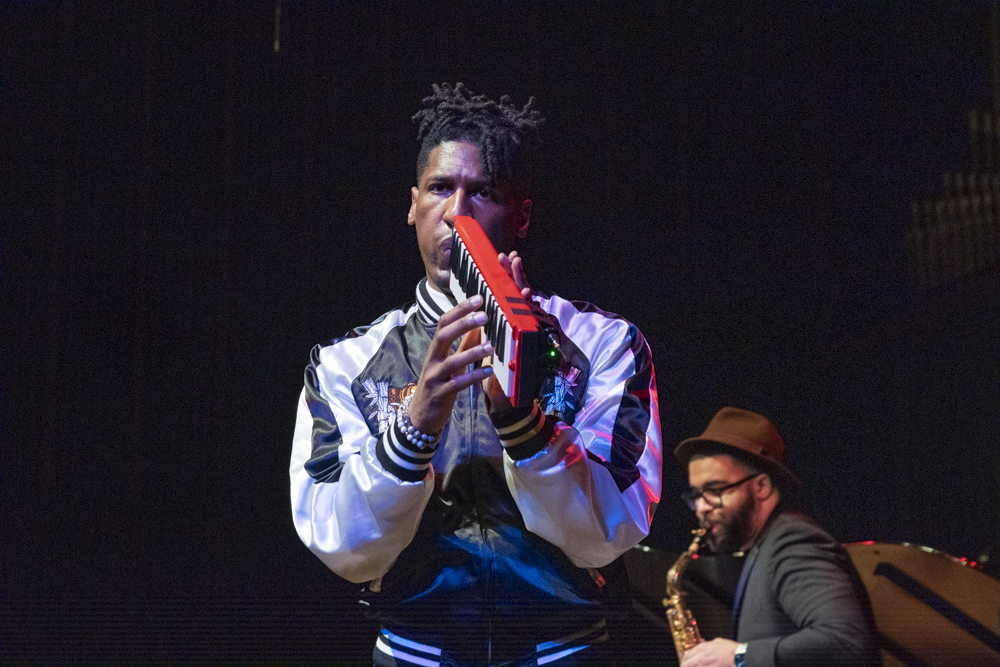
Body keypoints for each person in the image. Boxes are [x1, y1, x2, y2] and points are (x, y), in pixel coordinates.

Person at [289, 83, 662, 667]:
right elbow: (344, 550)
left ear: (522, 215)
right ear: (412, 204)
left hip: (564, 652)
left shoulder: (602, 344)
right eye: (440, 188)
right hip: (416, 653)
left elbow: (607, 535)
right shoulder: (346, 362)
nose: (457, 213)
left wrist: (523, 423)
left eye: (482, 191)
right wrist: (413, 431)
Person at [674, 407, 879, 667]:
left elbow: (847, 642)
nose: (702, 507)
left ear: (761, 486)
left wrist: (739, 657)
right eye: (697, 495)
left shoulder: (793, 540)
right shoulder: (765, 545)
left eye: (715, 490)